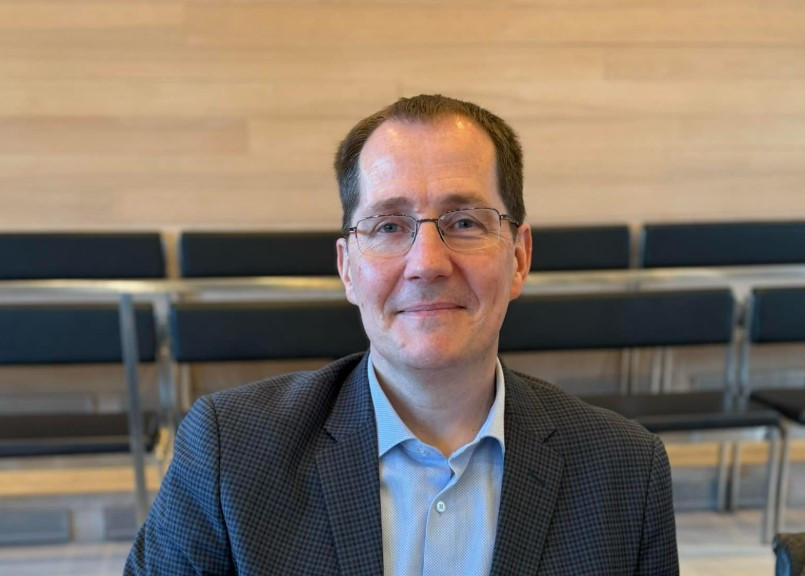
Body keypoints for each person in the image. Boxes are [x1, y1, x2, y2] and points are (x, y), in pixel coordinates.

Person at [125, 94, 679, 575]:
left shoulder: (627, 472)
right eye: (389, 226)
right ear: (347, 267)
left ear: (519, 257)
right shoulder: (230, 452)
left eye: (465, 222)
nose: (427, 264)